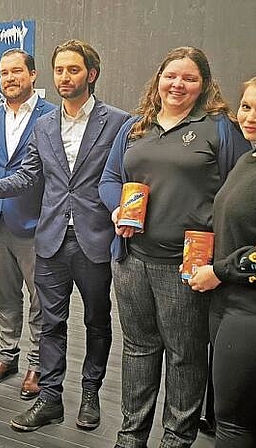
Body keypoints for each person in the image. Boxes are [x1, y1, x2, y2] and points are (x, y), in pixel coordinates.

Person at [98, 47, 250, 448]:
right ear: (158, 79)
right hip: (130, 260)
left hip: (186, 265)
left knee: (184, 356)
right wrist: (117, 209)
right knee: (138, 349)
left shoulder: (219, 127)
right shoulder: (135, 126)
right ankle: (130, 436)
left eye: (189, 78)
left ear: (203, 85)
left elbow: (238, 191)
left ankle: (176, 438)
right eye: (171, 76)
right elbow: (110, 178)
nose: (178, 84)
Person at [0, 39, 129, 431]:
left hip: (94, 237)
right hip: (51, 238)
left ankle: (91, 392)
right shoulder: (43, 125)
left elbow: (125, 178)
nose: (65, 77)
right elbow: (29, 174)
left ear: (91, 75)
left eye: (73, 70)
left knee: (97, 320)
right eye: (60, 70)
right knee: (49, 321)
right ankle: (50, 398)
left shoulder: (119, 122)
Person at [0, 48, 54, 398]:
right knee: (5, 295)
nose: (10, 78)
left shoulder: (51, 116)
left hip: (35, 222)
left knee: (40, 298)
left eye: (17, 71)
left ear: (32, 75)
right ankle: (7, 354)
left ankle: (37, 363)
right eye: (4, 73)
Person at [187, 77, 256, 447]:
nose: (251, 117)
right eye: (246, 106)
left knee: (233, 423)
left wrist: (220, 270)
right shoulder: (248, 158)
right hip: (228, 304)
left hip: (248, 310)